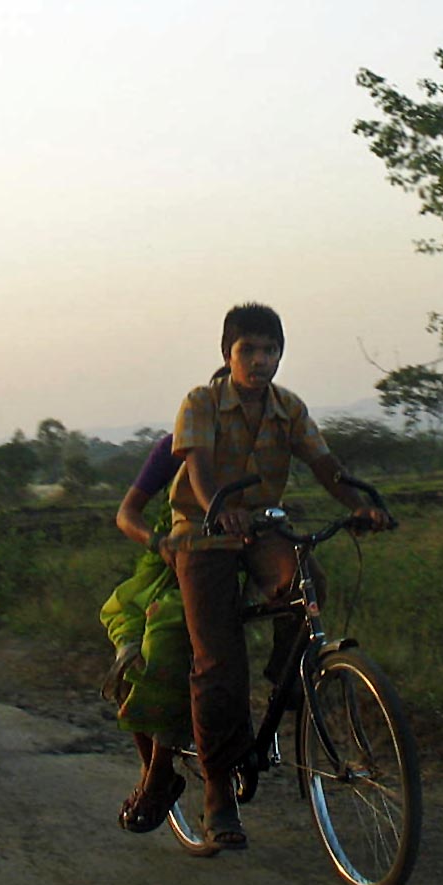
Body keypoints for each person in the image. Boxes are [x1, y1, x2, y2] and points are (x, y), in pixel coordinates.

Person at [168, 302, 388, 851]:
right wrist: (218, 508)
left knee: (309, 583)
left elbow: (324, 465)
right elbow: (198, 468)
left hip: (263, 527)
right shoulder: (200, 403)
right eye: (250, 350)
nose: (261, 360)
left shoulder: (288, 408)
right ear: (228, 354)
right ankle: (218, 792)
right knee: (218, 664)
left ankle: (286, 682)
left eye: (271, 350)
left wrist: (361, 503)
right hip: (202, 531)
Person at [99, 433, 192, 833]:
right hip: (169, 564)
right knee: (133, 655)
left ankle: (157, 776)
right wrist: (159, 542)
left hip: (228, 562)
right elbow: (127, 514)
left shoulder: (261, 441)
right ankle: (156, 769)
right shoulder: (178, 445)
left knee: (166, 642)